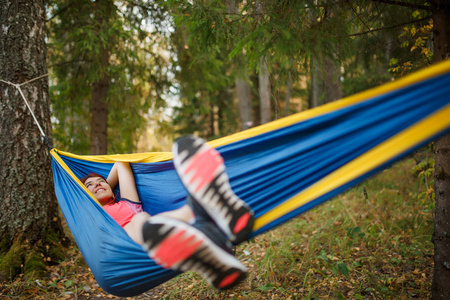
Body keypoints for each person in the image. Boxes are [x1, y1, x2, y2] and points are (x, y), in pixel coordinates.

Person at [81, 136, 255, 290]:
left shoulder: (127, 203)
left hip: (149, 240)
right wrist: (98, 191)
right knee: (141, 219)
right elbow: (83, 200)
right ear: (84, 195)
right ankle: (208, 208)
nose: (96, 184)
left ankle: (209, 221)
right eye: (89, 185)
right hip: (119, 257)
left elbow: (120, 164)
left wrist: (104, 187)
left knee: (143, 218)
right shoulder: (91, 212)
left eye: (100, 181)